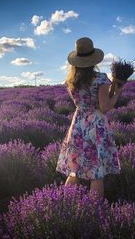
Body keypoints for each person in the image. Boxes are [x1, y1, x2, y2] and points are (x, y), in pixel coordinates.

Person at [56, 37, 123, 199]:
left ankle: (64, 205)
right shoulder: (100, 78)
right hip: (95, 126)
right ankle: (94, 212)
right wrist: (118, 92)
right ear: (93, 59)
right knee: (96, 172)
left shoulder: (70, 81)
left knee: (75, 168)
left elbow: (83, 102)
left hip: (78, 124)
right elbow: (104, 107)